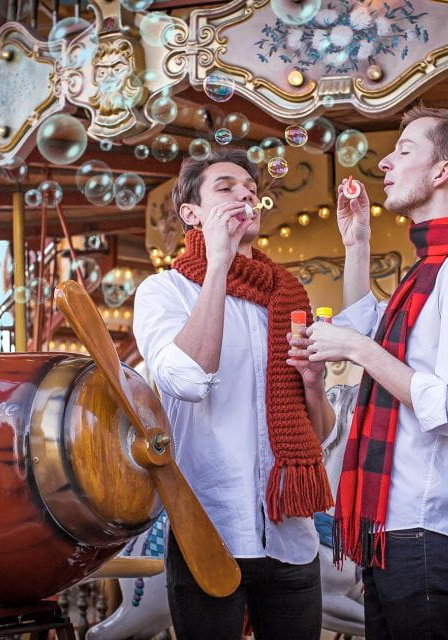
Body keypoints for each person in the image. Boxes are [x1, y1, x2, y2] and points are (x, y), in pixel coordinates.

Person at [303, 106, 448, 640]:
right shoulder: (434, 263)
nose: (384, 162)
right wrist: (357, 244)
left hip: (423, 532)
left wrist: (359, 350)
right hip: (399, 530)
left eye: (405, 150)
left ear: (442, 172)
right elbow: (380, 331)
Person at [132, 148, 336, 640]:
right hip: (209, 527)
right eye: (225, 186)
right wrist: (218, 265)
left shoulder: (287, 298)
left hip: (290, 534)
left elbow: (322, 433)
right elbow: (186, 379)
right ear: (191, 215)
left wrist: (312, 386)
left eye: (250, 187)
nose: (245, 193)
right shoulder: (164, 292)